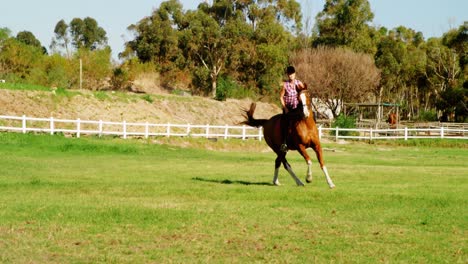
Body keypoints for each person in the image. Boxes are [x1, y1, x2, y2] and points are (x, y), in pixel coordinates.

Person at [279, 66, 305, 152]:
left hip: (297, 107)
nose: (291, 76)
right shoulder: (285, 85)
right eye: (289, 74)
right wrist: (285, 108)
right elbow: (281, 97)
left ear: (295, 74)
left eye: (292, 74)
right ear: (287, 75)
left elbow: (304, 92)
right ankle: (284, 143)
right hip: (288, 108)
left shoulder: (299, 83)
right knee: (285, 124)